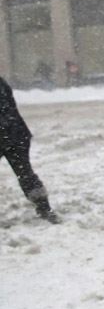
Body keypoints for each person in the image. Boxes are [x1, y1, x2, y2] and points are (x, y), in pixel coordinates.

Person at [1, 76, 60, 223]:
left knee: (25, 172)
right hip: (16, 133)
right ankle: (44, 208)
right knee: (25, 172)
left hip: (11, 133)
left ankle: (44, 208)